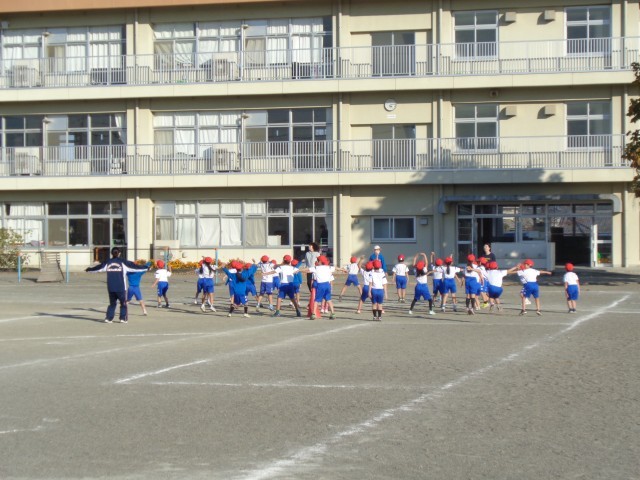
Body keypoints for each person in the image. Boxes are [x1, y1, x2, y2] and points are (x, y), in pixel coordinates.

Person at [85, 247, 149, 323]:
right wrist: (146, 268)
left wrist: (89, 269)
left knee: (112, 304)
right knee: (123, 304)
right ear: (119, 253)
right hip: (121, 288)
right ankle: (123, 318)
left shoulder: (108, 262)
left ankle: (108, 318)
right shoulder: (123, 262)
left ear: (111, 253)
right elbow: (135, 267)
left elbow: (98, 268)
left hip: (111, 287)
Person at [308, 255, 336, 319]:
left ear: (320, 261)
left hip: (321, 285)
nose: (317, 261)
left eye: (317, 260)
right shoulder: (328, 267)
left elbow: (308, 269)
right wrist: (342, 269)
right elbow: (336, 268)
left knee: (316, 300)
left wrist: (299, 270)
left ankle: (313, 314)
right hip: (327, 285)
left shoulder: (316, 268)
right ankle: (333, 313)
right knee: (329, 299)